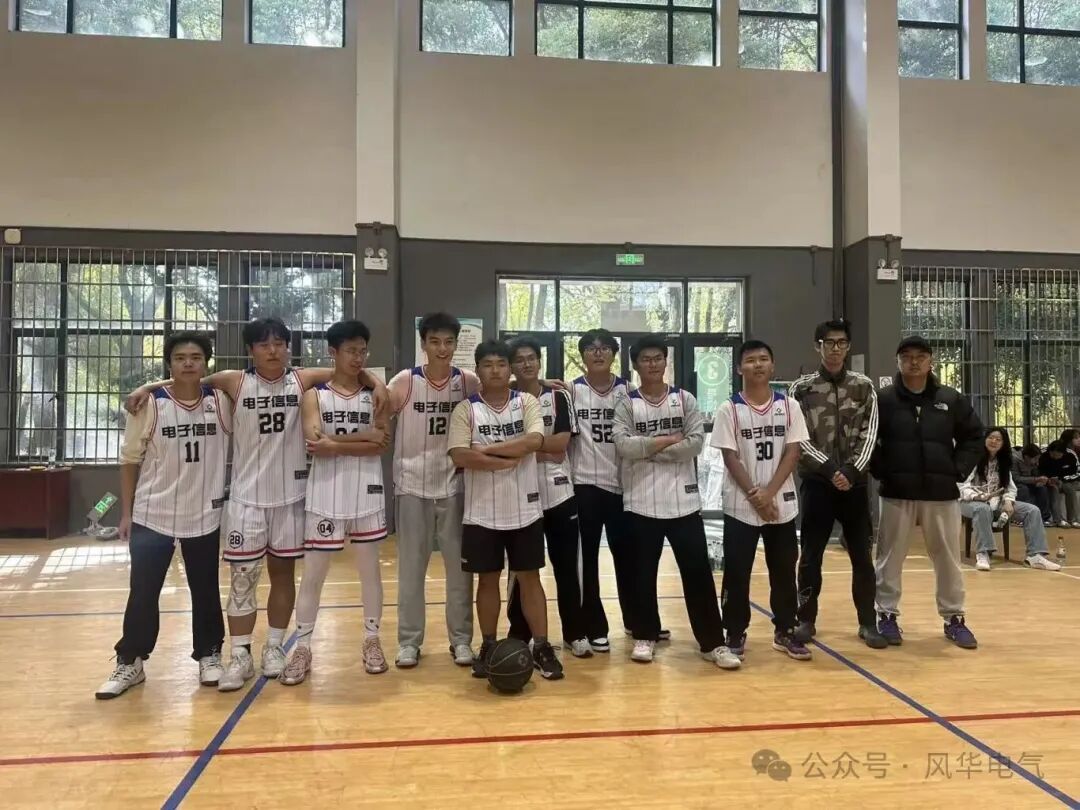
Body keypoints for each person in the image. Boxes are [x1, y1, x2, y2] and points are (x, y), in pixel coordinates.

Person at [126, 317, 386, 691]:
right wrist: (148, 386)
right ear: (250, 350)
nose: (273, 351)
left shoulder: (302, 380)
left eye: (279, 343)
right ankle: (240, 654)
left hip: (291, 498)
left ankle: (275, 647)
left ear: (288, 348)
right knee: (243, 580)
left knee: (283, 575)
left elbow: (351, 369)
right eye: (264, 345)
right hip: (246, 498)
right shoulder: (234, 381)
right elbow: (188, 380)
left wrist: (378, 382)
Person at [96, 334, 231, 699]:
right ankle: (131, 660)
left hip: (203, 513)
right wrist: (126, 513)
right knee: (143, 591)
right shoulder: (149, 405)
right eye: (180, 357)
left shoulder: (221, 402)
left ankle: (209, 653)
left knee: (205, 589)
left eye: (196, 357)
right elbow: (129, 460)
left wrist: (148, 383)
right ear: (169, 363)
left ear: (206, 363)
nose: (188, 363)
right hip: (152, 513)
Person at [613, 336, 741, 670]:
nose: (652, 364)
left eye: (657, 358)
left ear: (665, 361)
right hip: (641, 502)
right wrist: (670, 439)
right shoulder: (627, 404)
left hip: (684, 503)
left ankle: (712, 643)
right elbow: (624, 446)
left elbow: (696, 443)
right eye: (645, 359)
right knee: (642, 575)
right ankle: (645, 635)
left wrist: (650, 449)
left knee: (698, 575)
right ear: (635, 365)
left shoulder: (684, 400)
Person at [279, 321, 392, 686]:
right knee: (313, 574)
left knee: (370, 571)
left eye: (363, 351)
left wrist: (338, 443)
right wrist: (362, 438)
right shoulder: (315, 395)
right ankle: (303, 647)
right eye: (351, 351)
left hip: (367, 490)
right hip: (325, 493)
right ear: (333, 353)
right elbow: (315, 442)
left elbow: (381, 443)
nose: (358, 358)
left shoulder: (376, 394)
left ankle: (372, 640)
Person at [447, 340, 564, 681]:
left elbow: (534, 441)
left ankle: (541, 645)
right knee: (487, 580)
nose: (495, 370)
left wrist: (486, 451)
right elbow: (459, 454)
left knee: (530, 579)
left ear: (509, 369)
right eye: (488, 364)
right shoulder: (466, 409)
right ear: (478, 370)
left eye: (501, 364)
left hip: (525, 508)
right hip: (481, 512)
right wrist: (503, 460)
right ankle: (487, 645)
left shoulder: (526, 402)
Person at [871, 336, 984, 650]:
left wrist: (957, 469)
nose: (914, 362)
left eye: (920, 356)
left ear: (930, 361)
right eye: (907, 356)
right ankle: (886, 615)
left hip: (941, 492)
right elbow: (867, 440)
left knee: (947, 558)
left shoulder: (950, 398)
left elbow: (974, 436)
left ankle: (954, 617)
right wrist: (883, 470)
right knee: (889, 557)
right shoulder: (883, 399)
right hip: (897, 492)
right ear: (898, 362)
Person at [387, 313, 479, 668]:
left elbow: (504, 388)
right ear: (423, 343)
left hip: (455, 487)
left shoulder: (468, 382)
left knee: (460, 571)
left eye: (449, 342)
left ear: (456, 344)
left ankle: (461, 640)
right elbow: (379, 409)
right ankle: (409, 641)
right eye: (435, 342)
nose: (442, 348)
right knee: (412, 570)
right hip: (412, 486)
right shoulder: (405, 381)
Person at [712, 339, 812, 662]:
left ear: (773, 365)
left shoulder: (789, 406)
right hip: (741, 504)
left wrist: (768, 494)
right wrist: (757, 497)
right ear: (739, 368)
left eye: (763, 359)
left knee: (783, 570)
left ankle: (785, 629)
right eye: (751, 360)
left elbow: (793, 452)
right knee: (737, 571)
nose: (757, 364)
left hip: (780, 502)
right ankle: (734, 630)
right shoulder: (729, 409)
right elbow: (730, 457)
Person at [789, 319, 886, 649]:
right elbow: (798, 437)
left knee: (862, 557)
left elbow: (871, 433)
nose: (835, 348)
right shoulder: (801, 389)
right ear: (817, 346)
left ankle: (868, 623)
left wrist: (852, 471)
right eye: (828, 343)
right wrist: (830, 469)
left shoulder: (864, 387)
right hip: (817, 484)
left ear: (848, 347)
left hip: (854, 486)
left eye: (841, 343)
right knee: (810, 556)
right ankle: (805, 619)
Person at [505, 337, 591, 658]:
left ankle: (575, 633)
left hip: (559, 493)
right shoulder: (506, 399)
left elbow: (560, 445)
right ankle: (519, 632)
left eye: (531, 358)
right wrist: (539, 447)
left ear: (539, 362)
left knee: (567, 568)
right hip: (519, 494)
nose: (526, 364)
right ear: (511, 366)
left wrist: (525, 448)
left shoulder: (558, 396)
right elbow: (535, 446)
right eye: (519, 359)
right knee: (521, 570)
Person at [569, 329, 640, 652]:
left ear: (614, 354)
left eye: (604, 348)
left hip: (622, 487)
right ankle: (594, 626)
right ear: (583, 355)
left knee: (628, 558)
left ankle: (637, 621)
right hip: (583, 485)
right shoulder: (571, 391)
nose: (598, 353)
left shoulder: (630, 391)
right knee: (587, 562)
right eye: (591, 348)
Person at [960, 427, 1061, 573]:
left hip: (996, 502)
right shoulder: (972, 458)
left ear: (1003, 443)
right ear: (984, 439)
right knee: (982, 508)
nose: (994, 441)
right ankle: (983, 553)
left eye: (998, 439)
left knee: (1032, 510)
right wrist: (978, 496)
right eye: (991, 438)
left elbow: (1010, 488)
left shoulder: (1004, 462)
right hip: (970, 502)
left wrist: (1008, 501)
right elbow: (961, 485)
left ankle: (1035, 556)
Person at [1040, 439, 1080, 528]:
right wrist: (1047, 479)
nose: (1054, 457)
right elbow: (1037, 470)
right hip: (1049, 481)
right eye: (1052, 454)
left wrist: (1061, 479)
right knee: (1054, 491)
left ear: (1063, 453)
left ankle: (1072, 520)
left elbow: (1077, 473)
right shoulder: (1043, 454)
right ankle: (1058, 520)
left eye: (1057, 455)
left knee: (1070, 490)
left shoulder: (1071, 455)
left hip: (1066, 481)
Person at [1013, 442, 1053, 524]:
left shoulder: (1034, 463)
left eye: (1038, 459)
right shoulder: (1015, 459)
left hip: (1030, 481)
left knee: (1042, 489)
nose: (1037, 462)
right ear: (1026, 457)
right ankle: (1024, 517)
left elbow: (1035, 474)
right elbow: (1016, 478)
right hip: (1017, 483)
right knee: (1023, 489)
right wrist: (1035, 479)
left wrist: (1040, 480)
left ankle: (1044, 517)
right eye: (1035, 459)